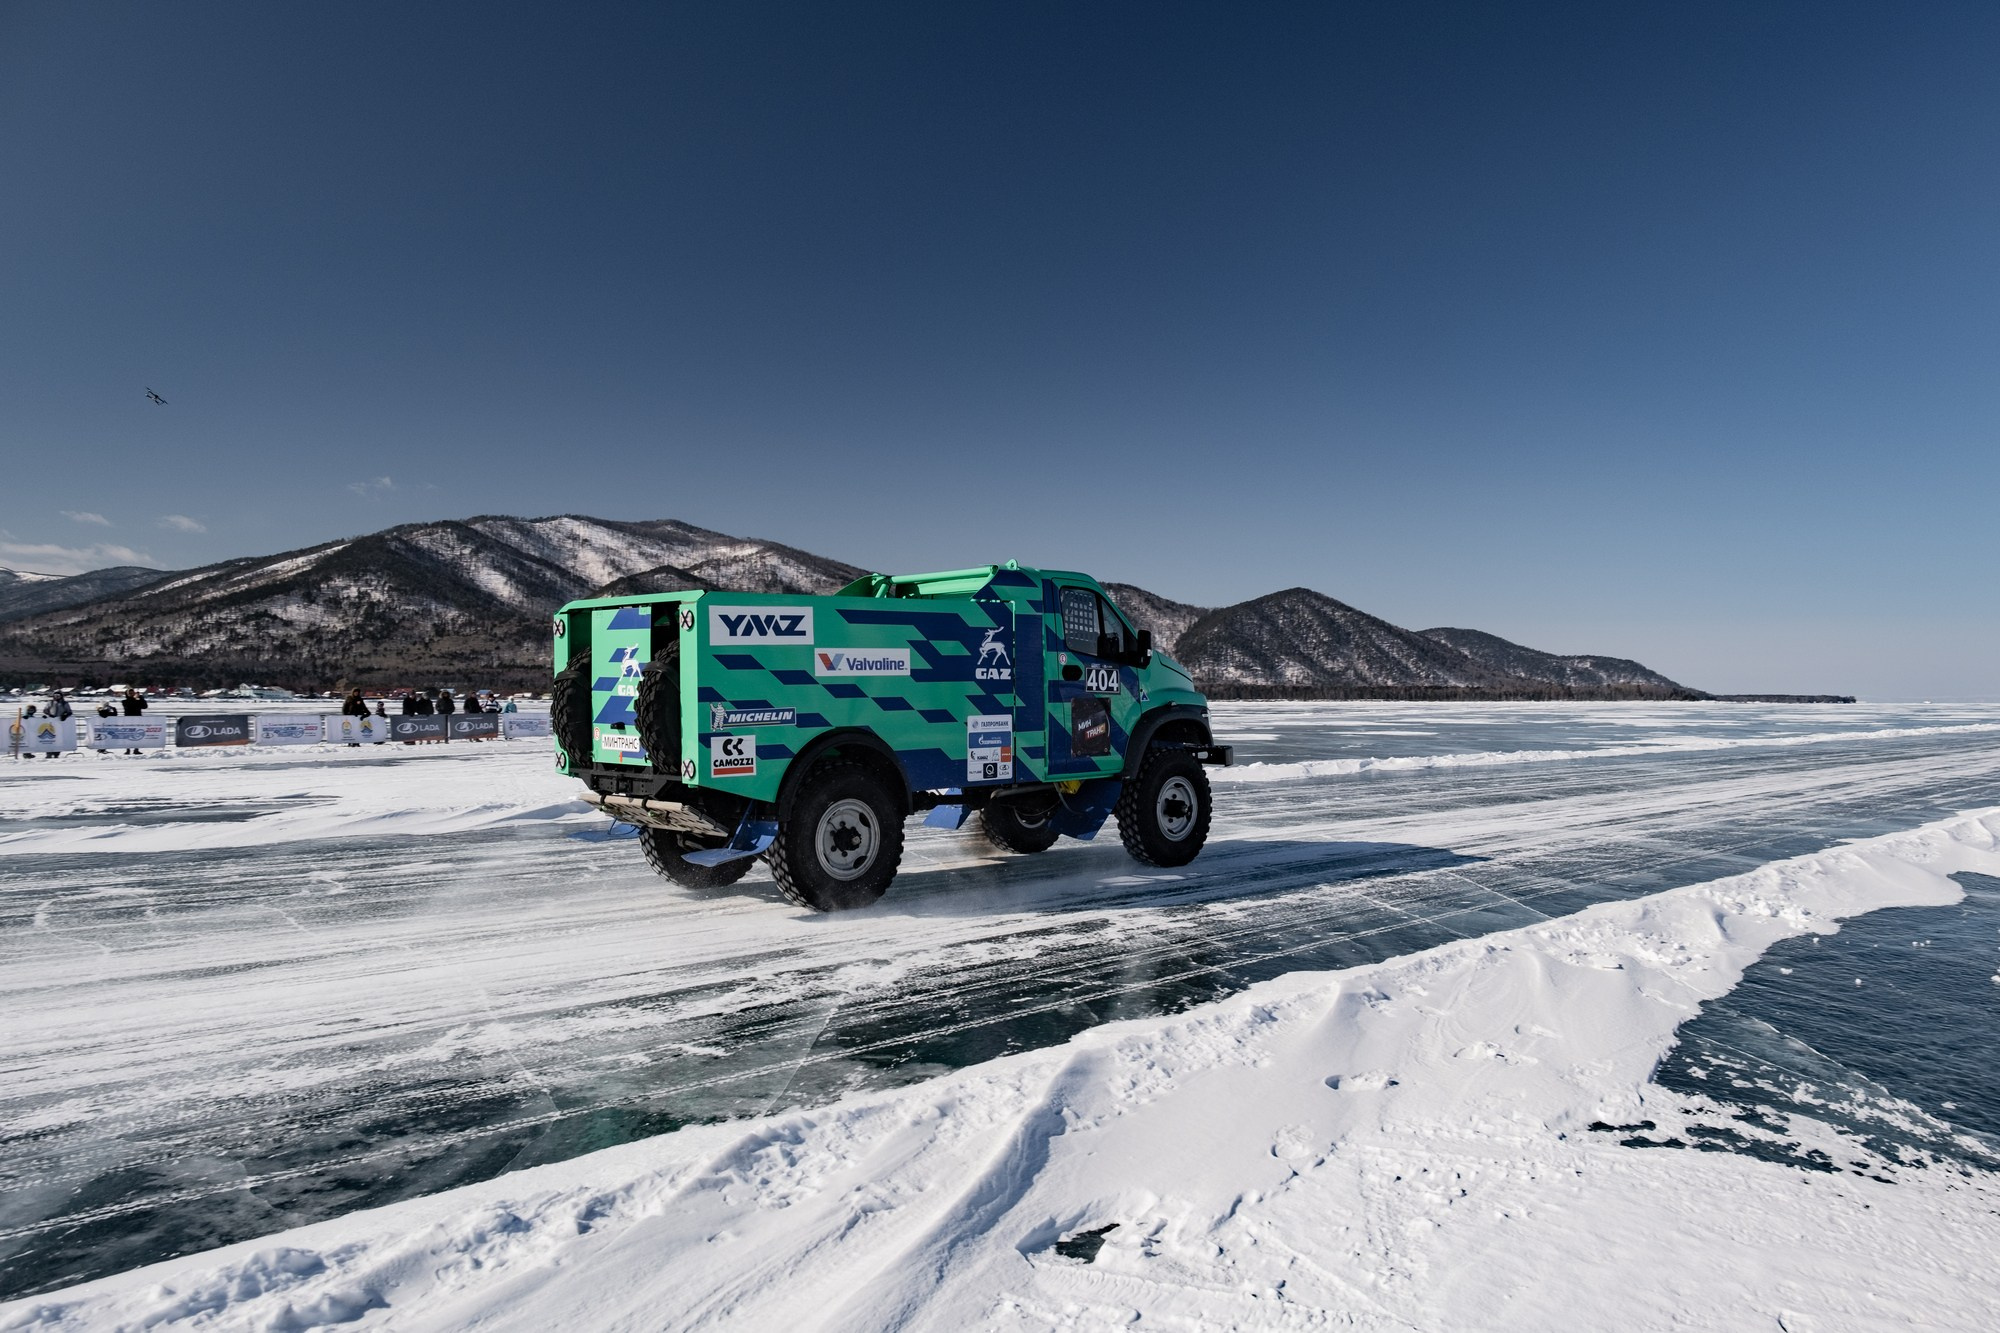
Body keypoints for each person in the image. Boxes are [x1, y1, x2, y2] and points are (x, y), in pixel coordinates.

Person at [42, 690, 72, 759]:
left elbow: (69, 712)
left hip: (60, 723)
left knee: (59, 739)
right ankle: (48, 753)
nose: (57, 697)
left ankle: (56, 753)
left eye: (58, 696)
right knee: (49, 739)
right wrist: (49, 714)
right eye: (55, 696)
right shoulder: (51, 703)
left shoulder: (65, 703)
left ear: (61, 696)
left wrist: (65, 715)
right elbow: (45, 710)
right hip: (50, 723)